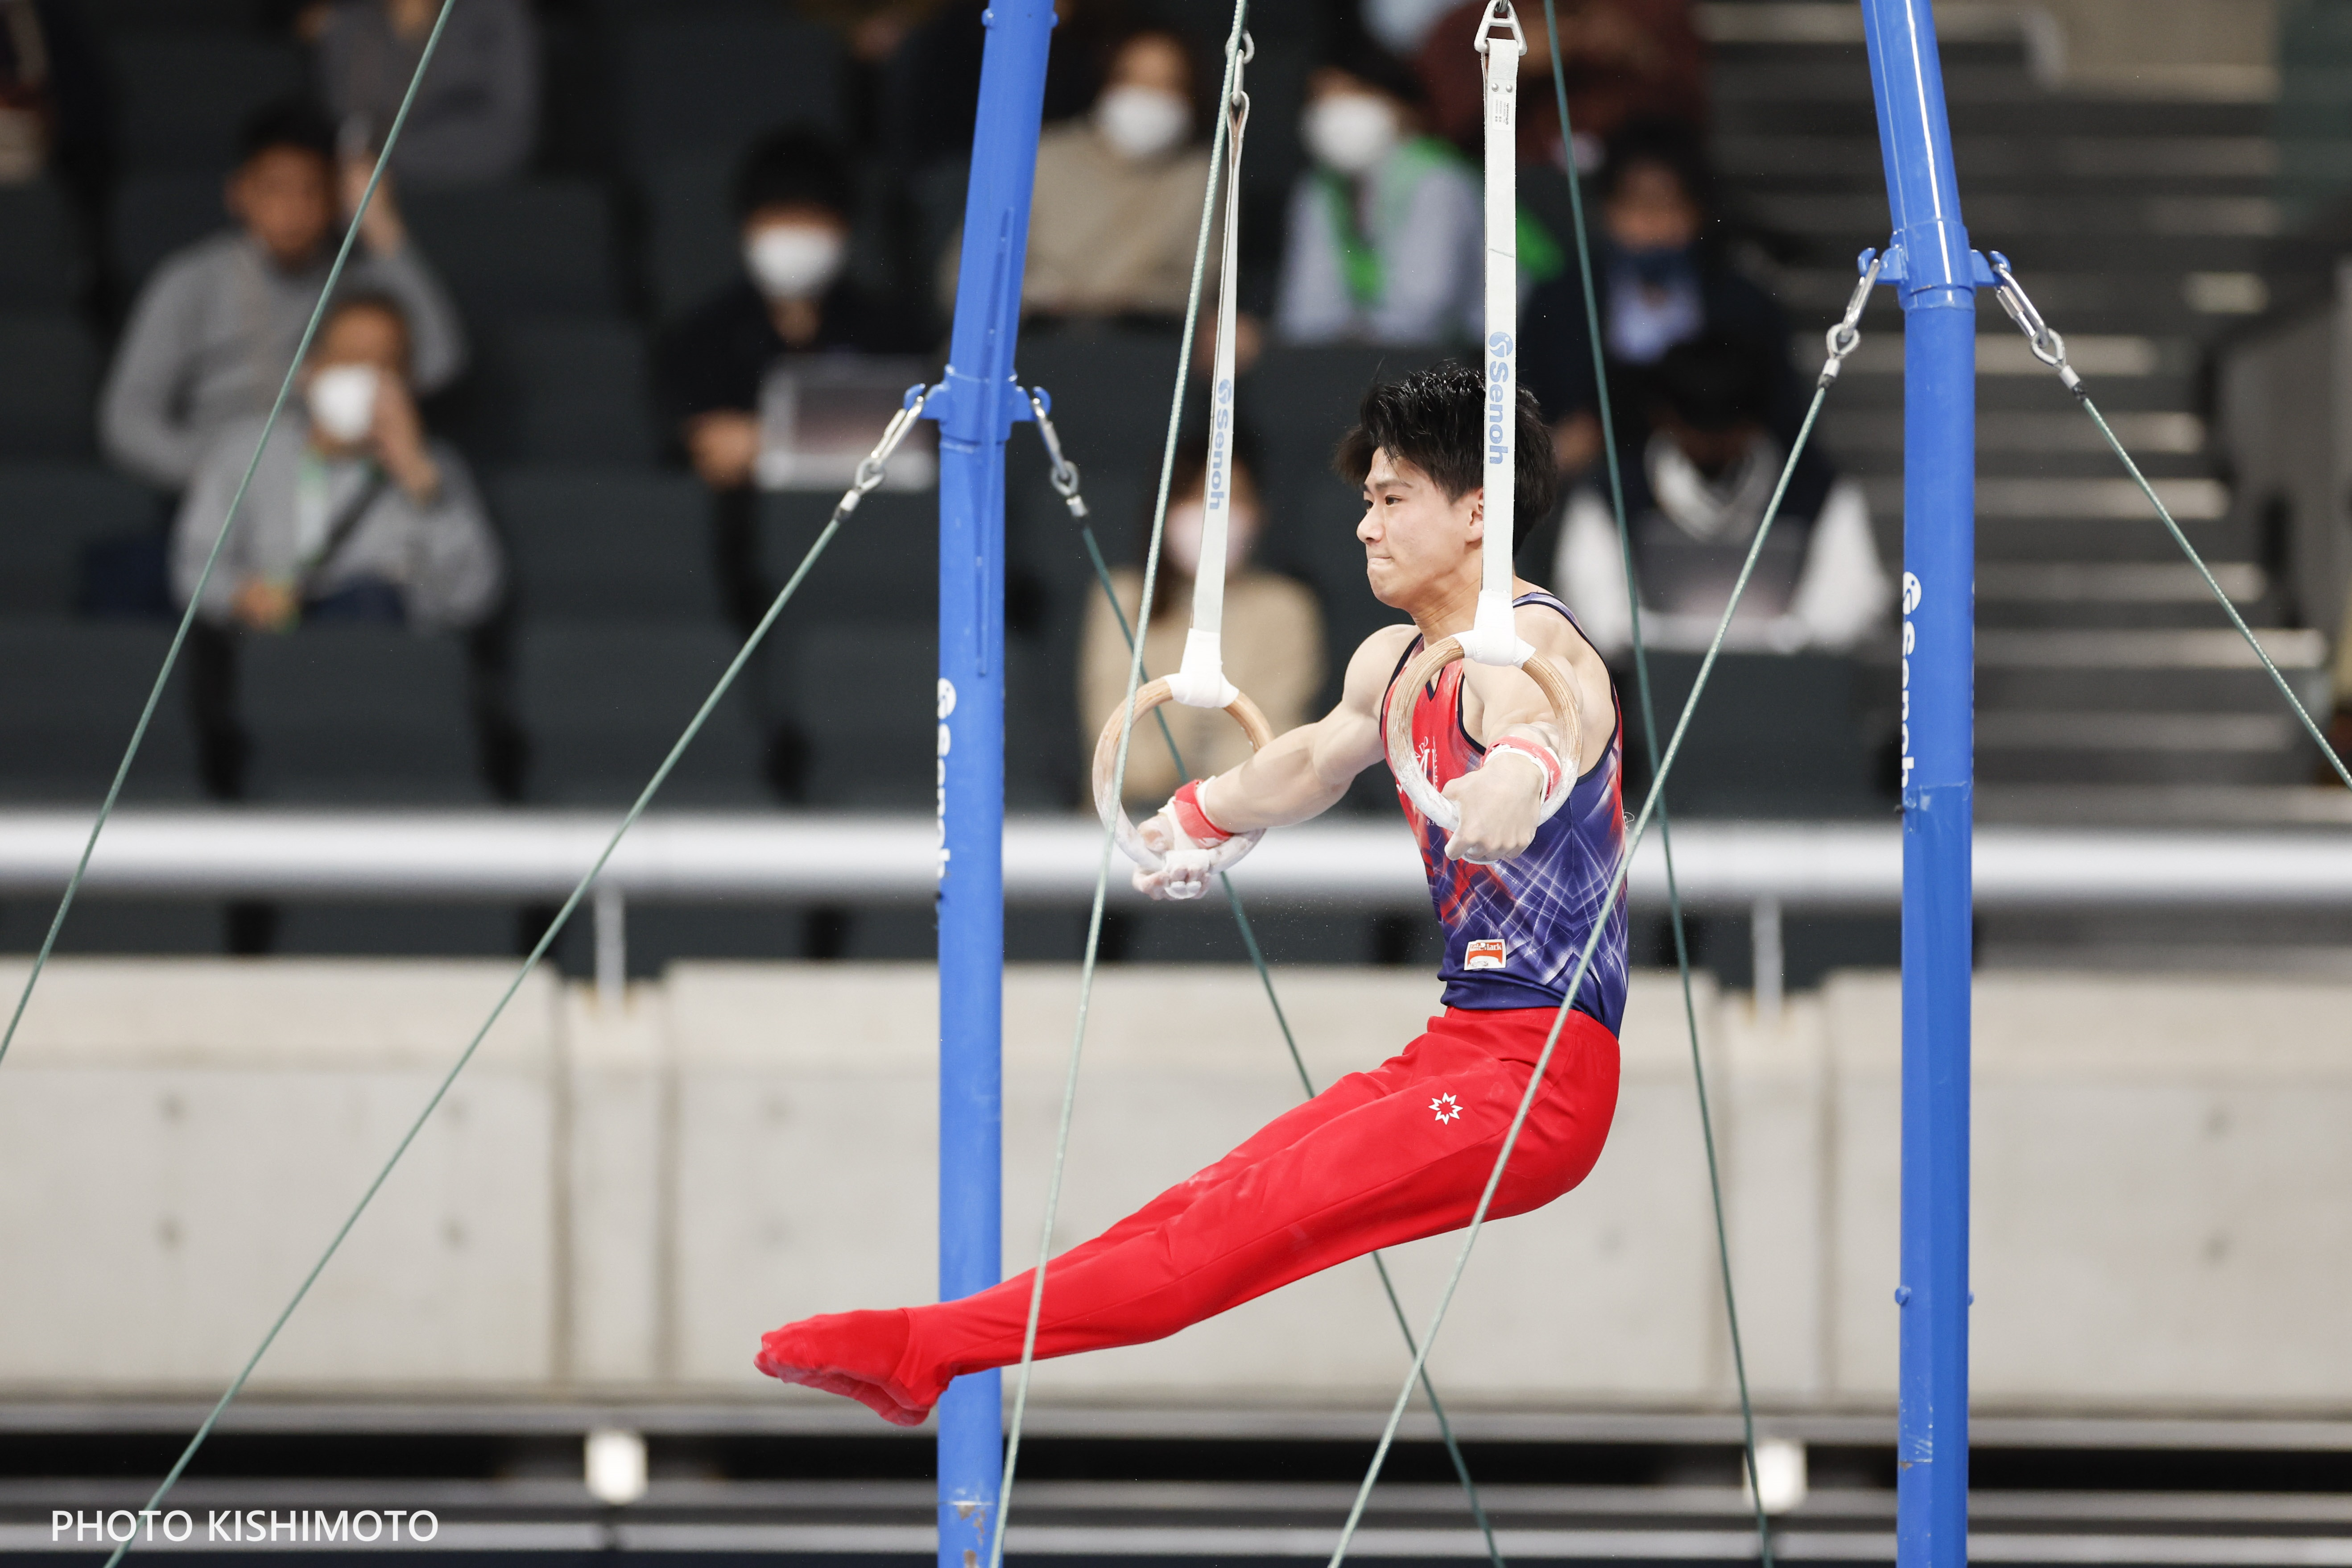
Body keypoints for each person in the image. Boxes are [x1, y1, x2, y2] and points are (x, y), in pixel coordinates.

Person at [755, 361, 1626, 1425]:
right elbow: (1305, 763)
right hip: (1459, 1046)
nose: (1364, 526)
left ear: (1477, 511)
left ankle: (924, 1348)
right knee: (1208, 1198)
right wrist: (1198, 817)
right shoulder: (1396, 662)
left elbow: (1557, 716)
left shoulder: (1529, 645)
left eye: (1393, 499)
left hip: (1541, 1079)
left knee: (1223, 1238)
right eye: (1366, 501)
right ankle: (937, 1346)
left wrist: (1522, 774)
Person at [99, 98, 467, 493]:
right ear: (239, 192)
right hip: (216, 490)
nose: (292, 209)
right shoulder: (191, 280)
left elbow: (437, 365)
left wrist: (381, 228)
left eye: (311, 190)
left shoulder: (355, 280)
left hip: (333, 484)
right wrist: (227, 475)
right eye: (275, 189)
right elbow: (127, 422)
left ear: (335, 197)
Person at [171, 291, 501, 633]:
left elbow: (474, 599)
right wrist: (241, 596)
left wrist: (421, 484)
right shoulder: (246, 453)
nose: (366, 376)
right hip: (276, 651)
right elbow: (194, 569)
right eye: (349, 359)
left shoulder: (435, 466)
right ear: (309, 368)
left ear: (408, 381)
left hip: (378, 654)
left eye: (385, 364)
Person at [1553, 331, 1889, 655]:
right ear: (1664, 419)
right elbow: (1597, 613)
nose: (1711, 446)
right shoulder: (1612, 490)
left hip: (1783, 691)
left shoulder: (1818, 490)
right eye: (1697, 429)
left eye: (1726, 431)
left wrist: (1778, 642)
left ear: (1754, 425)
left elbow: (1849, 605)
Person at [657, 126, 926, 496]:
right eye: (778, 216)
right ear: (747, 226)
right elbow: (707, 447)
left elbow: (911, 447)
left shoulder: (893, 331)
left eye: (810, 217)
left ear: (844, 226)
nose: (794, 232)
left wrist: (768, 443)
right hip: (744, 527)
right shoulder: (703, 336)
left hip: (868, 525)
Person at [1519, 120, 1789, 478]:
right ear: (1607, 208)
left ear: (1699, 211)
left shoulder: (1743, 303)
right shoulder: (1560, 301)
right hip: (1587, 490)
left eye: (1669, 205)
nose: (1653, 224)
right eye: (1636, 205)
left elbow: (1782, 418)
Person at [1078, 438, 1325, 804]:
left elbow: (1276, 738)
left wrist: (1212, 793)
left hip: (1249, 817)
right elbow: (1115, 737)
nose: (1215, 514)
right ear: (1166, 509)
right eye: (1195, 497)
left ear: (1259, 512)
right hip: (1133, 816)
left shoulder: (1287, 609)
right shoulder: (1124, 598)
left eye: (1232, 497)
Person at [988, 27, 1218, 323]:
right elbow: (966, 277)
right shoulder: (1041, 155)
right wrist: (1039, 294)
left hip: (1132, 346)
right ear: (1105, 83)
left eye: (1167, 84)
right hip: (1029, 338)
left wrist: (1113, 299)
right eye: (1131, 78)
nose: (1147, 96)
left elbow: (1200, 286)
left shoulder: (1202, 177)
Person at [1273, 39, 1480, 348]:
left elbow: (1427, 306)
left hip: (1474, 356)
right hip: (1368, 353)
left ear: (1405, 108)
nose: (1335, 110)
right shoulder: (1318, 188)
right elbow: (1304, 309)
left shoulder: (1440, 180)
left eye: (1354, 94)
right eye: (1321, 98)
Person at [1412, 0, 1705, 160]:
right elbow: (1440, 132)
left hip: (1627, 188)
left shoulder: (1653, 12)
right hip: (1515, 193)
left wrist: (1637, 52)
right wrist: (1512, 67)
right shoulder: (1471, 24)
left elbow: (1694, 111)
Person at [305, 0, 539, 190]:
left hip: (479, 190)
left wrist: (391, 157)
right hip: (369, 193)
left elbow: (509, 130)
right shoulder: (348, 22)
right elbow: (347, 121)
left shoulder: (495, 13)